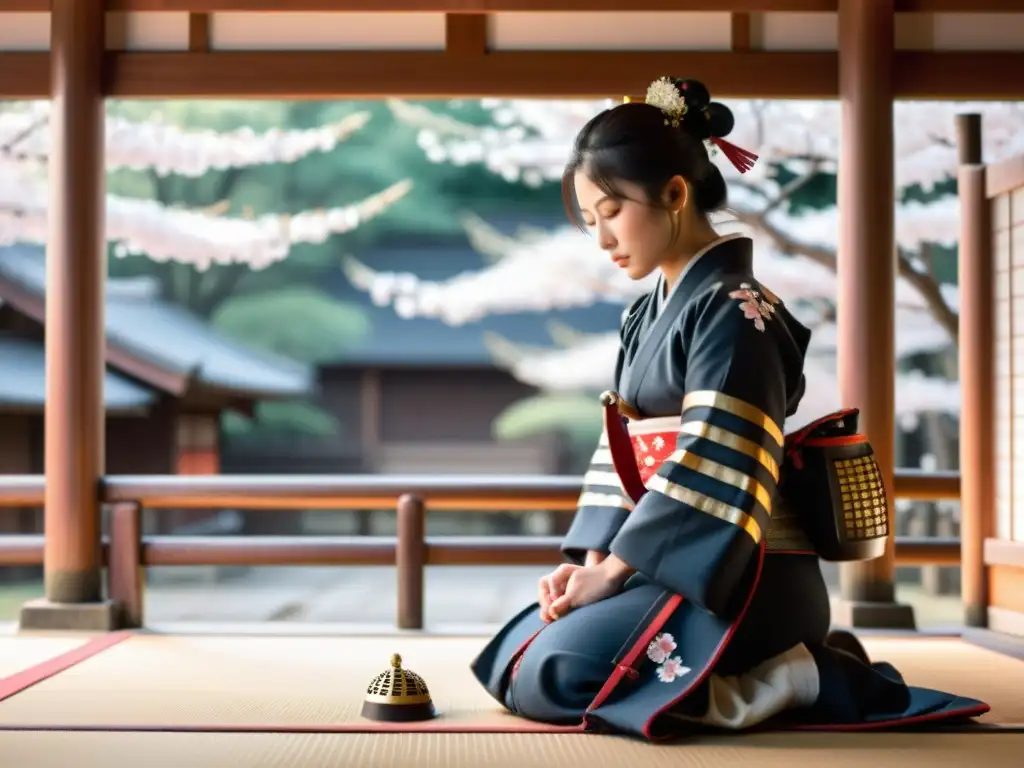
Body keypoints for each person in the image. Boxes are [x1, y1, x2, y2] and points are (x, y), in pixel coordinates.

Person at [469, 76, 989, 742]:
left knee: (563, 674)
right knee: (512, 658)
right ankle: (771, 675)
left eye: (612, 211)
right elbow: (624, 453)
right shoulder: (642, 317)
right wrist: (592, 563)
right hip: (666, 560)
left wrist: (613, 571)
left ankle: (801, 675)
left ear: (676, 194)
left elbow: (715, 454)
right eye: (590, 221)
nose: (601, 239)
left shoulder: (740, 311)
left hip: (745, 577)